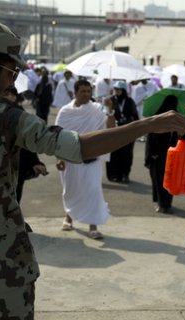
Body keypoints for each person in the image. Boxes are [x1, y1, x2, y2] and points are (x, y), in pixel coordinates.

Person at [0, 20, 185, 319]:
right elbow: (79, 147)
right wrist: (149, 124)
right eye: (12, 72)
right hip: (8, 276)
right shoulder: (6, 118)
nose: (13, 82)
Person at [56, 79, 117, 239]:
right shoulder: (65, 112)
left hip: (92, 159)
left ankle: (93, 226)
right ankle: (68, 218)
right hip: (70, 159)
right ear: (75, 92)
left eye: (89, 91)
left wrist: (110, 109)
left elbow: (110, 130)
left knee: (93, 191)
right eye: (82, 91)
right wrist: (59, 158)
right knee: (70, 191)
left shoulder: (97, 109)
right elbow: (57, 136)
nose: (86, 94)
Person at [1, 86, 49, 204]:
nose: (11, 97)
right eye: (7, 94)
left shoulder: (20, 115)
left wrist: (35, 162)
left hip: (15, 169)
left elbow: (27, 142)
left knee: (13, 203)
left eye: (13, 94)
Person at [145, 96, 180, 214]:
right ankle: (161, 204)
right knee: (159, 180)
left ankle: (167, 204)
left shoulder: (177, 119)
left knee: (169, 180)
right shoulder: (159, 118)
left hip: (171, 155)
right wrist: (153, 153)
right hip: (158, 155)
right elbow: (152, 136)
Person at [106, 80, 139, 183]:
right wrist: (108, 105)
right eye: (115, 89)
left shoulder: (129, 101)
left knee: (127, 154)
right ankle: (114, 175)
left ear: (123, 90)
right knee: (114, 153)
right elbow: (105, 113)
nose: (117, 91)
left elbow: (136, 116)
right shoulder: (110, 100)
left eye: (119, 89)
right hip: (114, 130)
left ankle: (125, 174)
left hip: (128, 131)